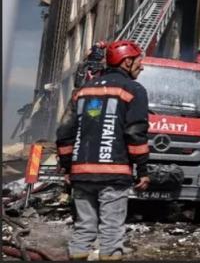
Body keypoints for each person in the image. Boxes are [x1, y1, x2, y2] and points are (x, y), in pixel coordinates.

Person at [56, 40, 151, 261]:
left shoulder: (82, 91)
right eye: (139, 61)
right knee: (111, 234)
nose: (142, 66)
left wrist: (68, 168)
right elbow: (135, 133)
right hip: (114, 174)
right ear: (127, 62)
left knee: (83, 231)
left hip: (81, 174)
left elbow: (64, 133)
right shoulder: (134, 90)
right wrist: (143, 170)